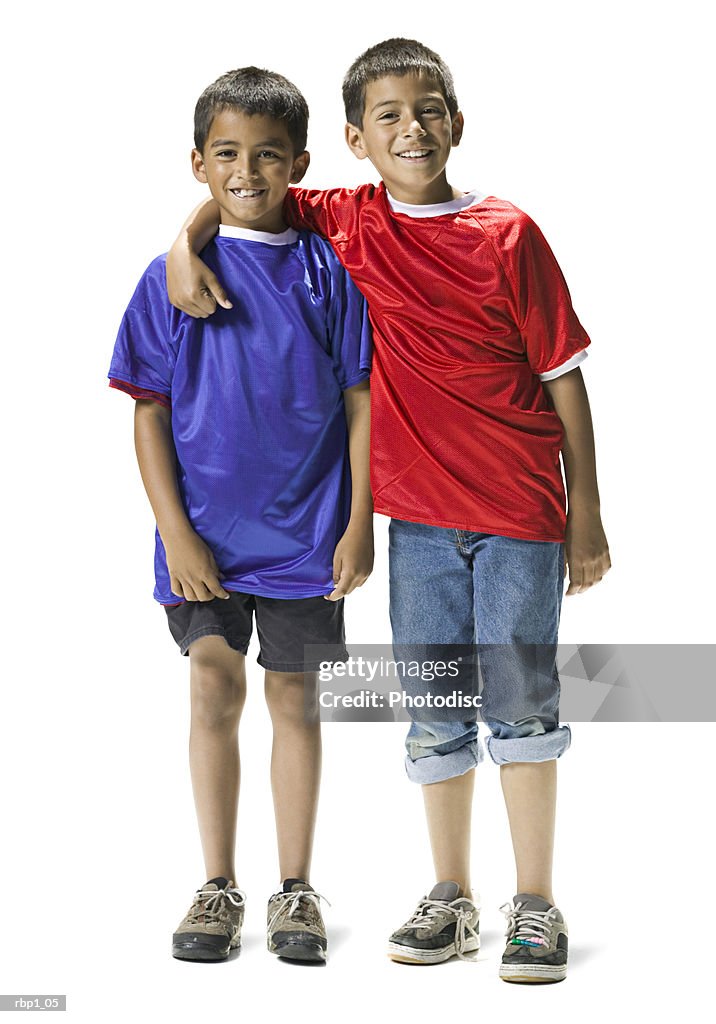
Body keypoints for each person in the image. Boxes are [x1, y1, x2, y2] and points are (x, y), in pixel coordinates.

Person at [165, 39, 611, 983]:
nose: (413, 128)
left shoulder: (509, 234)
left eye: (430, 110)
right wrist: (183, 241)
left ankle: (535, 903)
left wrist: (588, 515)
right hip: (417, 525)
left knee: (522, 706)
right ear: (356, 143)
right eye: (389, 117)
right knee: (436, 712)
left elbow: (565, 381)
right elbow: (252, 189)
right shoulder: (351, 221)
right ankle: (451, 895)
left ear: (457, 121)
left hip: (523, 514)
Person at [107, 66, 372, 964]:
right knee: (213, 689)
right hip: (204, 544)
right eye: (227, 153)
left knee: (295, 700)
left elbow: (360, 398)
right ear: (198, 162)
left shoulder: (326, 270)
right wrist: (176, 533)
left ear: (299, 162)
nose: (246, 170)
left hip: (308, 538)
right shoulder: (172, 277)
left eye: (266, 155)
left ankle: (294, 890)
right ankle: (217, 885)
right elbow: (146, 407)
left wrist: (358, 519)